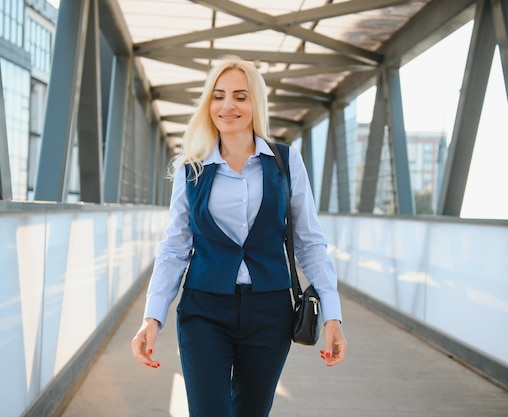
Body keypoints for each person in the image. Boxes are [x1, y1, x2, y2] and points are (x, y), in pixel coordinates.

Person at [131, 55, 347, 417]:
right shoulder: (191, 169)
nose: (227, 105)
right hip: (204, 310)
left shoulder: (285, 161)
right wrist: (152, 318)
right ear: (207, 103)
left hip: (270, 312)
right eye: (218, 95)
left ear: (255, 103)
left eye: (240, 96)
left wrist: (333, 316)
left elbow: (310, 242)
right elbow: (175, 247)